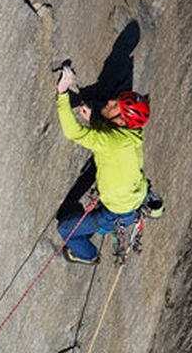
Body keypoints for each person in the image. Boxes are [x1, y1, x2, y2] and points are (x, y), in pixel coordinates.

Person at [55, 63, 154, 264]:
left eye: (115, 106)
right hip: (130, 201)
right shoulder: (134, 134)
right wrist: (94, 120)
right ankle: (103, 225)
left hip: (115, 211)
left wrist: (62, 93)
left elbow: (74, 132)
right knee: (94, 219)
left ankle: (87, 255)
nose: (109, 101)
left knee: (65, 228)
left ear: (121, 121)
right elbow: (110, 136)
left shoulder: (112, 142)